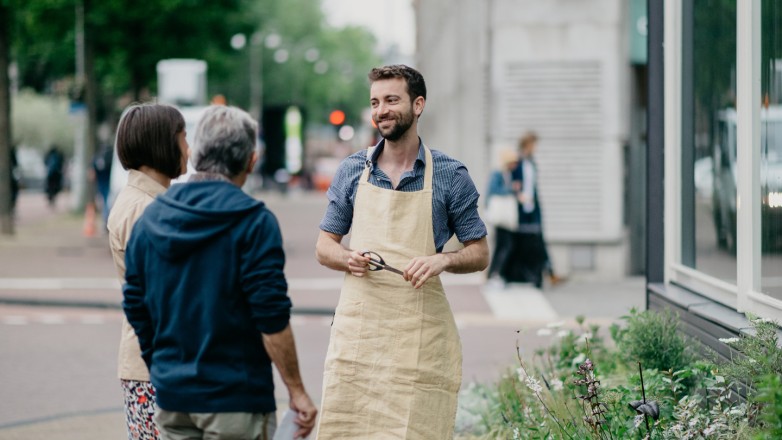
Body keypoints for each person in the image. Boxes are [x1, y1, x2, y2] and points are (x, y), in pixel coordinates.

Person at [314, 64, 489, 438]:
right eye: (375, 102)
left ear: (418, 104)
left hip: (418, 345)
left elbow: (480, 252)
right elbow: (324, 246)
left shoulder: (450, 175)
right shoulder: (352, 170)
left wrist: (443, 259)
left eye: (392, 100)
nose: (381, 110)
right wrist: (347, 257)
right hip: (359, 340)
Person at [122, 105, 317, 440]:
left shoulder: (151, 219)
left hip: (172, 400)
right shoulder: (254, 221)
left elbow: (134, 303)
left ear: (196, 154)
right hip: (235, 399)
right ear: (251, 161)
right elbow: (271, 317)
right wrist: (296, 390)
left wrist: (160, 366)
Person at [108, 103, 189, 439]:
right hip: (158, 367)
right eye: (183, 138)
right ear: (162, 144)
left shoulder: (144, 201)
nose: (189, 149)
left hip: (150, 364)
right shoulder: (146, 209)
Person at [510, 131, 564, 289]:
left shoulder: (531, 163)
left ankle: (548, 272)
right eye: (534, 144)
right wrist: (518, 195)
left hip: (533, 208)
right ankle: (541, 273)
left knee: (539, 240)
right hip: (521, 209)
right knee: (526, 243)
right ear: (527, 144)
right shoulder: (517, 162)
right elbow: (514, 184)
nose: (535, 148)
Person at [485, 147, 521, 285]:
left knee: (503, 245)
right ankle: (495, 274)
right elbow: (493, 191)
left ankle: (494, 274)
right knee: (503, 245)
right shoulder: (498, 174)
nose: (515, 165)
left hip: (505, 218)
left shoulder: (507, 174)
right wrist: (512, 188)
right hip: (501, 218)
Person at [92, 143, 113, 229]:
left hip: (102, 185)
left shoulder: (96, 158)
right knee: (107, 203)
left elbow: (92, 174)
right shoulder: (110, 158)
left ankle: (106, 222)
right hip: (108, 184)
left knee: (105, 203)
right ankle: (106, 222)